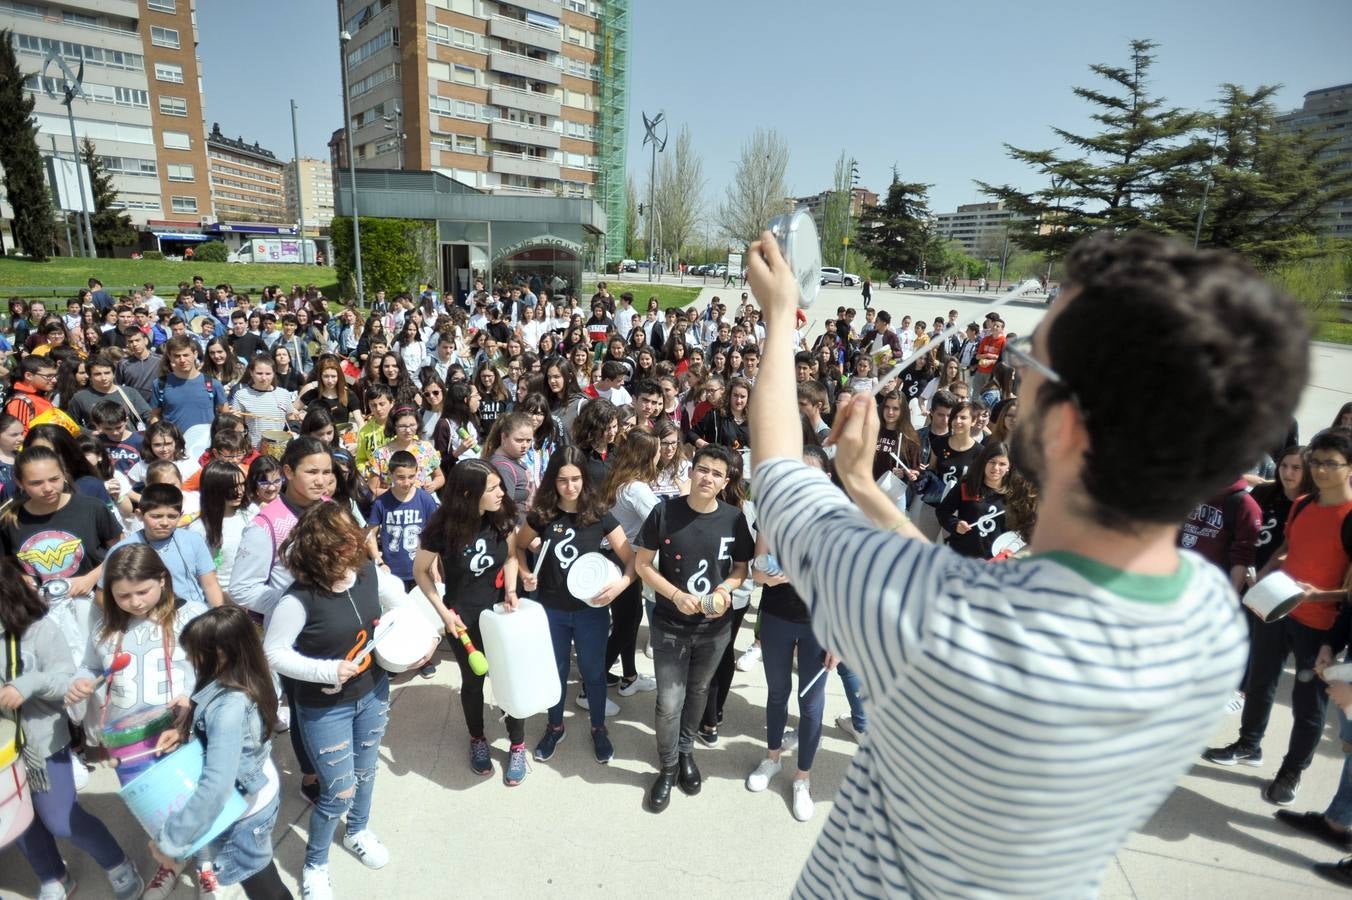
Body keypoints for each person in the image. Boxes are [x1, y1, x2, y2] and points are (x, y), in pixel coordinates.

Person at [744, 228, 1306, 896]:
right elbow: (964, 595)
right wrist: (865, 489)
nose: (1017, 373)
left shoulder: (944, 618)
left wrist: (779, 318)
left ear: (1069, 425)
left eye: (1030, 362)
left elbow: (778, 472)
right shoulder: (1210, 622)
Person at [264, 502, 409, 900]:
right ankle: (315, 864)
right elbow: (274, 653)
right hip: (325, 707)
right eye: (344, 539)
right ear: (321, 547)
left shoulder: (366, 575)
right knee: (338, 790)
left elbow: (400, 603)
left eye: (354, 536)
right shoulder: (298, 599)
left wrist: (408, 639)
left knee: (366, 772)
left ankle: (358, 831)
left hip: (373, 693)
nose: (355, 543)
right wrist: (326, 671)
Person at [1205, 430, 1352, 805]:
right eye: (1315, 462)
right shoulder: (1303, 504)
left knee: (1308, 704)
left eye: (1329, 463)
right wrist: (1268, 571)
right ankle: (1249, 745)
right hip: (1278, 609)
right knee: (1260, 681)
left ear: (1349, 468)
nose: (1318, 470)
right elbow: (1289, 545)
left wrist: (1323, 595)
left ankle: (1292, 772)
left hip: (1321, 625)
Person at [2, 562, 146, 900]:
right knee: (18, 821)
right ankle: (53, 876)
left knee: (61, 818)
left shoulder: (37, 629)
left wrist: (28, 684)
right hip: (3, 752)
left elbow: (67, 681)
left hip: (41, 741)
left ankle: (117, 863)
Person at [635, 444, 752, 813]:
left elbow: (740, 568)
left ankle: (687, 752)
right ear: (691, 471)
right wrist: (673, 593)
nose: (708, 478)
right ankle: (667, 767)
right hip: (670, 623)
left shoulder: (734, 518)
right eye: (703, 470)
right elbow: (643, 564)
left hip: (714, 627)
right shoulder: (664, 512)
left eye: (717, 474)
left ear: (726, 481)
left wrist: (724, 589)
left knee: (699, 690)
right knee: (669, 702)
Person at [147, 606, 293, 900]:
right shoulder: (247, 674)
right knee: (261, 875)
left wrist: (171, 841)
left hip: (245, 811)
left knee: (261, 884)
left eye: (195, 653)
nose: (188, 658)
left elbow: (216, 788)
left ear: (222, 653)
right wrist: (185, 729)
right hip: (260, 786)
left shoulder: (229, 708)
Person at [516, 448, 633, 766]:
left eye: (576, 479)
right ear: (552, 482)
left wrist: (619, 586)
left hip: (590, 612)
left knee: (594, 673)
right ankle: (555, 726)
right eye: (563, 480)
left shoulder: (599, 513)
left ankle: (598, 728)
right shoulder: (542, 515)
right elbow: (517, 546)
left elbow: (632, 560)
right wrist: (527, 573)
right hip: (551, 612)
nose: (570, 487)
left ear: (585, 479)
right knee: (555, 671)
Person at [414, 459, 527, 782]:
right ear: (468, 493)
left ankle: (517, 745)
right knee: (473, 681)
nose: (500, 493)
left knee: (507, 679)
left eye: (499, 486)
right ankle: (477, 738)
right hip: (461, 621)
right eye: (491, 488)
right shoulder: (441, 526)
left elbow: (508, 558)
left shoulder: (501, 518)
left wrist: (511, 589)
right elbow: (420, 571)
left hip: (498, 617)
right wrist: (443, 613)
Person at [745, 448, 834, 822]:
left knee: (811, 702)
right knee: (778, 692)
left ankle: (802, 778)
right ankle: (772, 759)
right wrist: (763, 575)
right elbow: (757, 568)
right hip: (778, 616)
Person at [599, 430, 661, 697]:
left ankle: (629, 676)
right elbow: (662, 521)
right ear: (648, 455)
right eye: (657, 450)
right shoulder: (636, 488)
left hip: (614, 556)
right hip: (623, 559)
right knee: (626, 622)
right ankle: (594, 684)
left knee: (630, 618)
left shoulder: (618, 478)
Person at [103, 483, 225, 609]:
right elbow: (103, 596)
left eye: (172, 516)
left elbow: (210, 584)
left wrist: (219, 613)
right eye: (156, 516)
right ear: (140, 515)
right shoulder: (122, 550)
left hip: (195, 616)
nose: (165, 523)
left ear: (181, 515)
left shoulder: (193, 540)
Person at [936, 441, 1011, 559]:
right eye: (992, 462)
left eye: (1002, 464)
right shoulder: (968, 485)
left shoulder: (1013, 493)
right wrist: (955, 525)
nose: (996, 468)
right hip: (962, 556)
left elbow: (1020, 528)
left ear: (1008, 467)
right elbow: (943, 511)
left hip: (995, 561)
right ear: (984, 462)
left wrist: (1010, 547)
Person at [151, 336, 229, 434]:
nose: (182, 360)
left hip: (205, 444)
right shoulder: (160, 384)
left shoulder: (213, 384)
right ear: (170, 357)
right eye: (177, 356)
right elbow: (155, 416)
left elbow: (225, 415)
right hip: (174, 444)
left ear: (195, 354)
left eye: (186, 355)